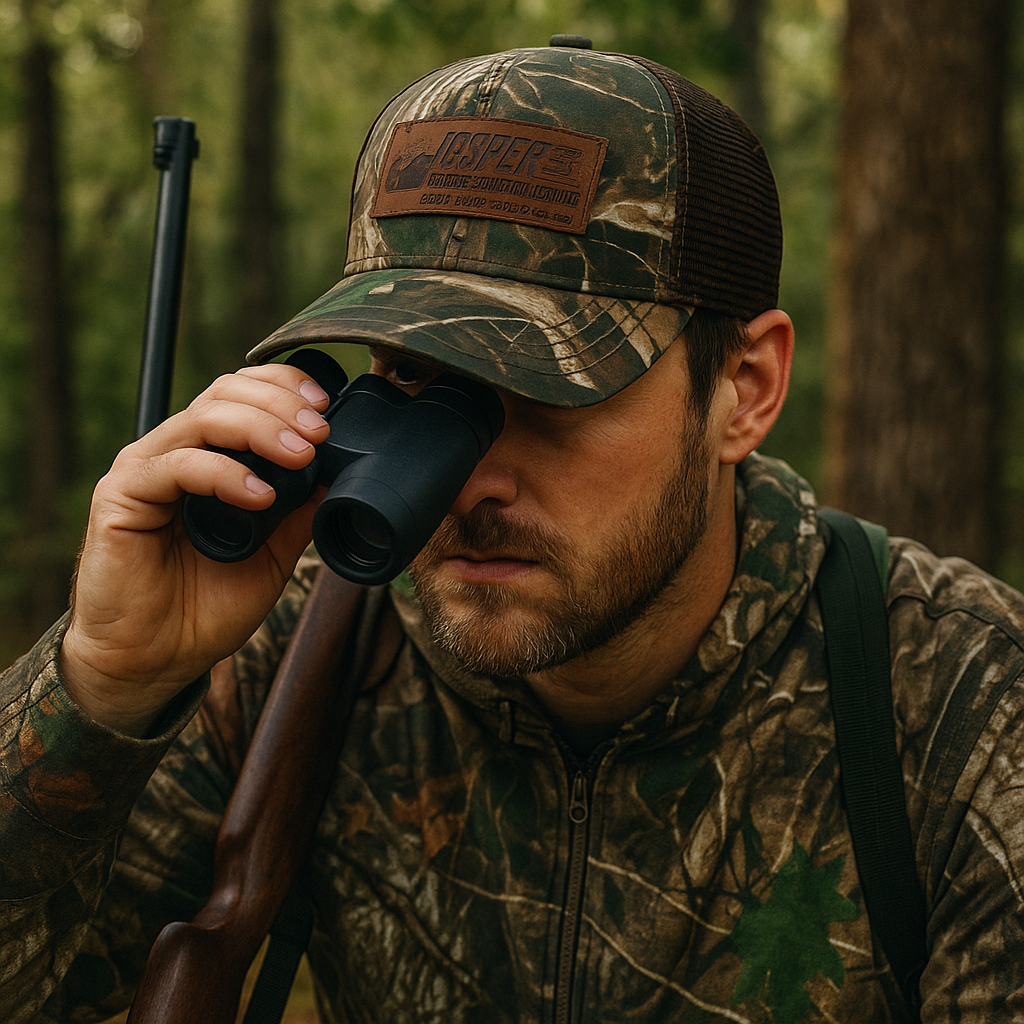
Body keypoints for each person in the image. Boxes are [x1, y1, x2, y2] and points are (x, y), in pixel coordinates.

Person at [2, 37, 1024, 1024]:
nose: (469, 484)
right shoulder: (301, 655)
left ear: (743, 390)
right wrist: (103, 682)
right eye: (412, 383)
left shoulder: (952, 707)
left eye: (550, 393)